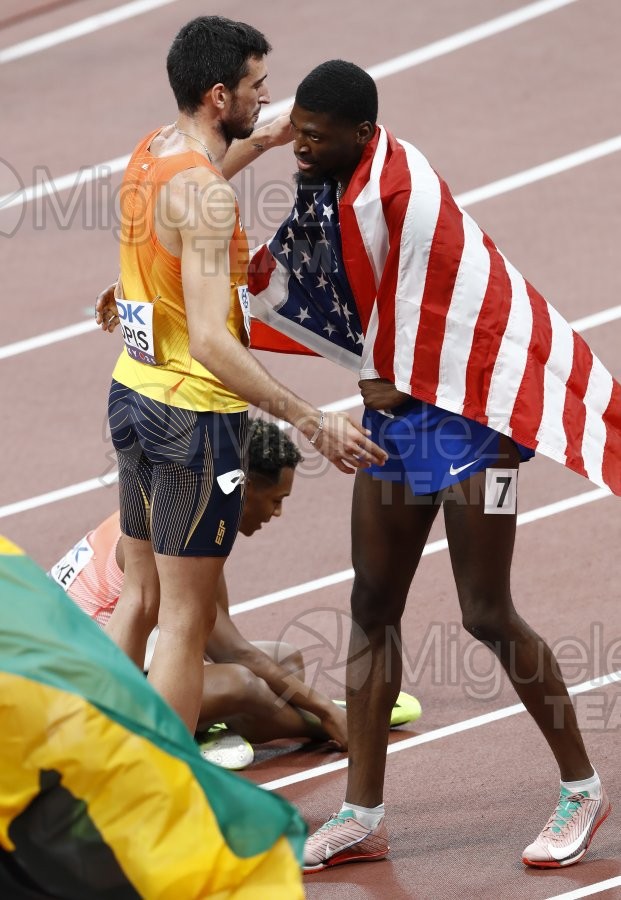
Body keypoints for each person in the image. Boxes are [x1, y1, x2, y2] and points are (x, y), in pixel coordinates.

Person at [247, 60, 621, 871]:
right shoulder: (331, 184)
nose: (299, 149)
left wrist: (388, 370)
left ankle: (581, 788)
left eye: (313, 138)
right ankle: (363, 814)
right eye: (296, 134)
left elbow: (437, 314)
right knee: (370, 603)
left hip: (472, 418)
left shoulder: (405, 193)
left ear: (362, 134)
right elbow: (321, 282)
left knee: (485, 611)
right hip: (402, 417)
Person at [98, 20, 386, 736]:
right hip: (190, 418)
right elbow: (209, 342)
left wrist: (262, 140)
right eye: (258, 86)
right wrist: (309, 418)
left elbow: (177, 213)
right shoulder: (207, 198)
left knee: (140, 598)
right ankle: (165, 784)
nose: (267, 97)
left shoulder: (151, 152)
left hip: (131, 394)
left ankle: (97, 760)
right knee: (185, 620)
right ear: (219, 94)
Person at [50, 420, 421, 769]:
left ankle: (205, 722)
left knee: (286, 660)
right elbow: (232, 652)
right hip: (71, 687)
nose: (278, 513)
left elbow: (212, 634)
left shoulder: (194, 512)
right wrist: (325, 711)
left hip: (123, 660)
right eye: (276, 499)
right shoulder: (177, 534)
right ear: (245, 488)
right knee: (243, 685)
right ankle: (336, 728)